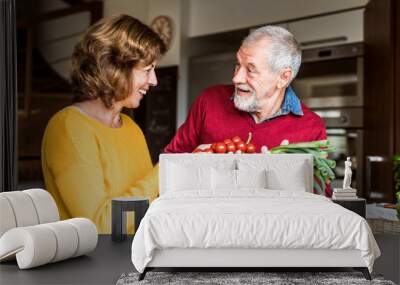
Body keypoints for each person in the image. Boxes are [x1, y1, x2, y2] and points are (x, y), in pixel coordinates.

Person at [41, 15, 166, 234]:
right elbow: (98, 226)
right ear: (114, 68)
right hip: (91, 266)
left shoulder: (131, 128)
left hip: (136, 259)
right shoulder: (70, 127)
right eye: (147, 70)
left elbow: (147, 208)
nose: (154, 80)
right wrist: (164, 170)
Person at [165, 25, 326, 153]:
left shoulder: (311, 128)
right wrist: (195, 159)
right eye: (238, 65)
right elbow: (169, 164)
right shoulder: (208, 101)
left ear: (283, 77)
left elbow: (318, 192)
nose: (236, 78)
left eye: (251, 70)